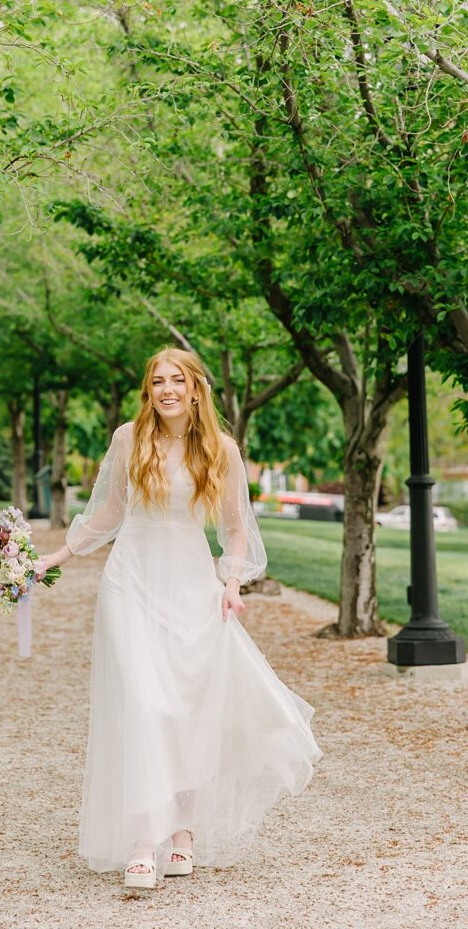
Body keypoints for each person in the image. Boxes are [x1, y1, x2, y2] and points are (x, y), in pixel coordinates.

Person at [38, 347, 322, 889]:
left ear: (195, 388)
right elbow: (109, 512)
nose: (167, 389)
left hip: (192, 584)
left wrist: (232, 583)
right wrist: (58, 556)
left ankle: (183, 833)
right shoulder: (129, 437)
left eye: (177, 380)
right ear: (149, 390)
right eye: (157, 381)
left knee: (185, 709)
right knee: (145, 704)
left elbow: (236, 528)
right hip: (130, 582)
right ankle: (144, 842)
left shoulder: (222, 448)